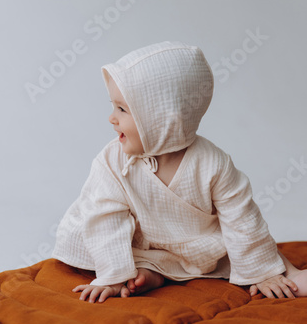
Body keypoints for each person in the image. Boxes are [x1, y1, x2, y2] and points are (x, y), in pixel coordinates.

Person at [51, 41, 307, 303]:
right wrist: (113, 276)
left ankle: (292, 275)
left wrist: (262, 272)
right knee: (104, 245)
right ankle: (151, 271)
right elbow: (105, 219)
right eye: (113, 106)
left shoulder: (212, 163)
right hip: (139, 244)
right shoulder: (111, 161)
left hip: (197, 244)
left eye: (122, 109)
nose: (111, 118)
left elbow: (241, 218)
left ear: (163, 118)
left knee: (251, 245)